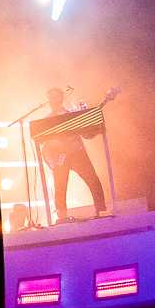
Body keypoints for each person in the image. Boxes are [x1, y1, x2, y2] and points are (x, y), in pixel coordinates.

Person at [41, 87, 107, 221]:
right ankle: (62, 216)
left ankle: (101, 210)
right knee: (60, 186)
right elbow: (43, 144)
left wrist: (93, 128)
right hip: (60, 157)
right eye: (51, 97)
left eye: (56, 96)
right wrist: (51, 160)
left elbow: (87, 134)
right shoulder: (46, 119)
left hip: (77, 153)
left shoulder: (71, 113)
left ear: (61, 98)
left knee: (93, 180)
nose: (53, 99)